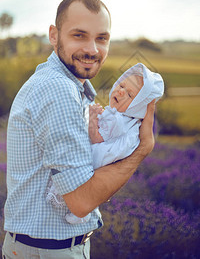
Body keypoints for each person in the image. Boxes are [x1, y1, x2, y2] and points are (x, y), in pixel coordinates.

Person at [3, 0, 156, 259]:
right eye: (79, 35)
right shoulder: (59, 90)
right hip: (49, 250)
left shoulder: (72, 88)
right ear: (54, 35)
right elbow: (83, 200)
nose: (92, 49)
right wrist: (142, 150)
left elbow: (90, 183)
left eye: (101, 38)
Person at [46, 63, 164, 225]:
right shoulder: (123, 119)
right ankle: (81, 211)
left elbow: (96, 138)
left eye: (129, 95)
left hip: (100, 156)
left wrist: (93, 119)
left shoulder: (119, 121)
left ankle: (79, 211)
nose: (121, 91)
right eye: (121, 85)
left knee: (77, 172)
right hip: (107, 157)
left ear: (138, 107)